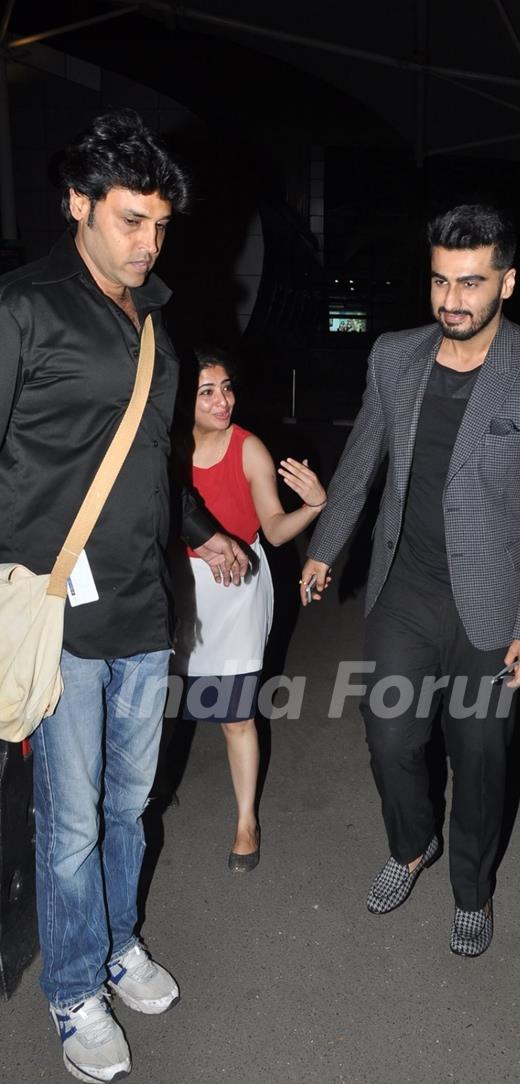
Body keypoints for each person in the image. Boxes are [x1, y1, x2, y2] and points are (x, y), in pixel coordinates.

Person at [0, 108, 250, 1083]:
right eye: (131, 220)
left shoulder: (156, 321)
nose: (148, 242)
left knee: (130, 808)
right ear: (77, 203)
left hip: (150, 613)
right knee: (66, 824)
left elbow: (154, 467)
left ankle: (114, 945)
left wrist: (204, 532)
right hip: (62, 615)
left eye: (159, 225)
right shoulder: (24, 307)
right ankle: (70, 992)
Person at [300, 203, 520, 956]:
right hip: (407, 588)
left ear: (508, 281)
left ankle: (472, 887)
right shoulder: (395, 356)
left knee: (481, 755)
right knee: (389, 736)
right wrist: (325, 548)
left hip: (495, 607)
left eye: (470, 283)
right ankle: (411, 844)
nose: (451, 301)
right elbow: (362, 464)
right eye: (440, 281)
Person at [171, 348, 327, 871]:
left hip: (239, 589)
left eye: (227, 387)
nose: (223, 400)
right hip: (181, 586)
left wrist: (313, 506)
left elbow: (276, 529)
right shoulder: (165, 449)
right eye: (207, 392)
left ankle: (245, 820)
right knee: (164, 703)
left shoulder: (249, 448)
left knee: (235, 715)